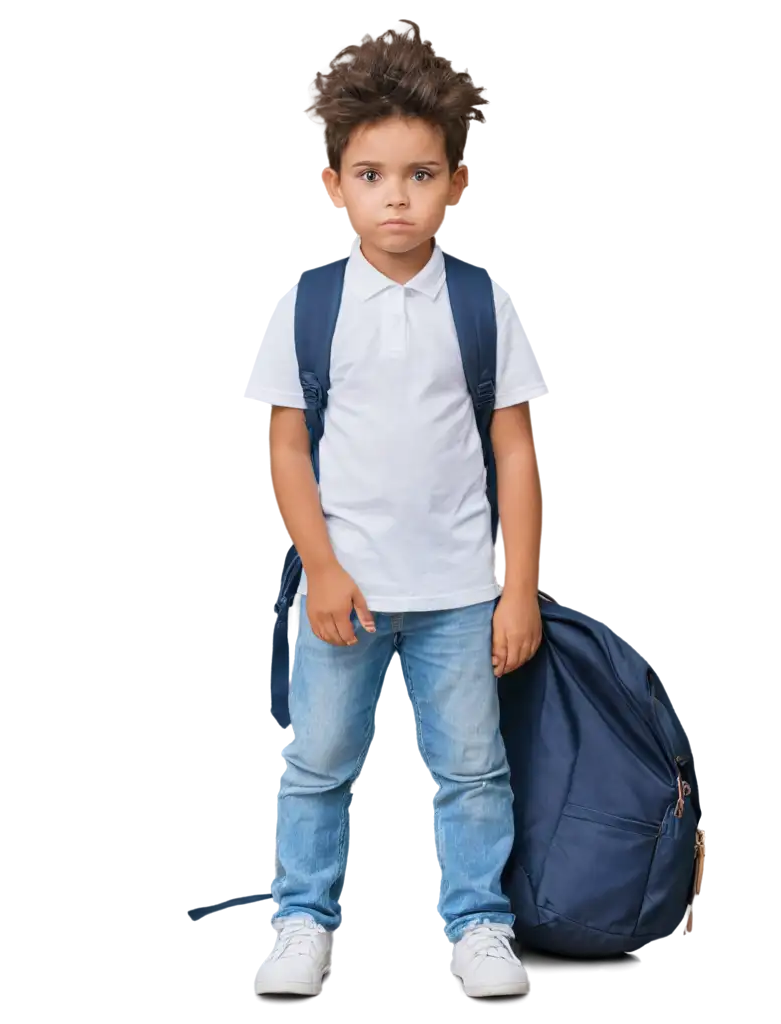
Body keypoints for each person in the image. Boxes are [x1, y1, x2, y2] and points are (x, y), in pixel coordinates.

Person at [242, 19, 549, 1001]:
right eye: (371, 175)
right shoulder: (306, 307)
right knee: (317, 760)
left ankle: (478, 927)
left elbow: (516, 453)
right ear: (332, 185)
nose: (396, 197)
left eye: (419, 174)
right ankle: (301, 923)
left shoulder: (485, 303)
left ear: (457, 181)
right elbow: (287, 449)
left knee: (470, 767)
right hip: (345, 589)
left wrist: (518, 591)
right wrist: (322, 567)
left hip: (462, 587)